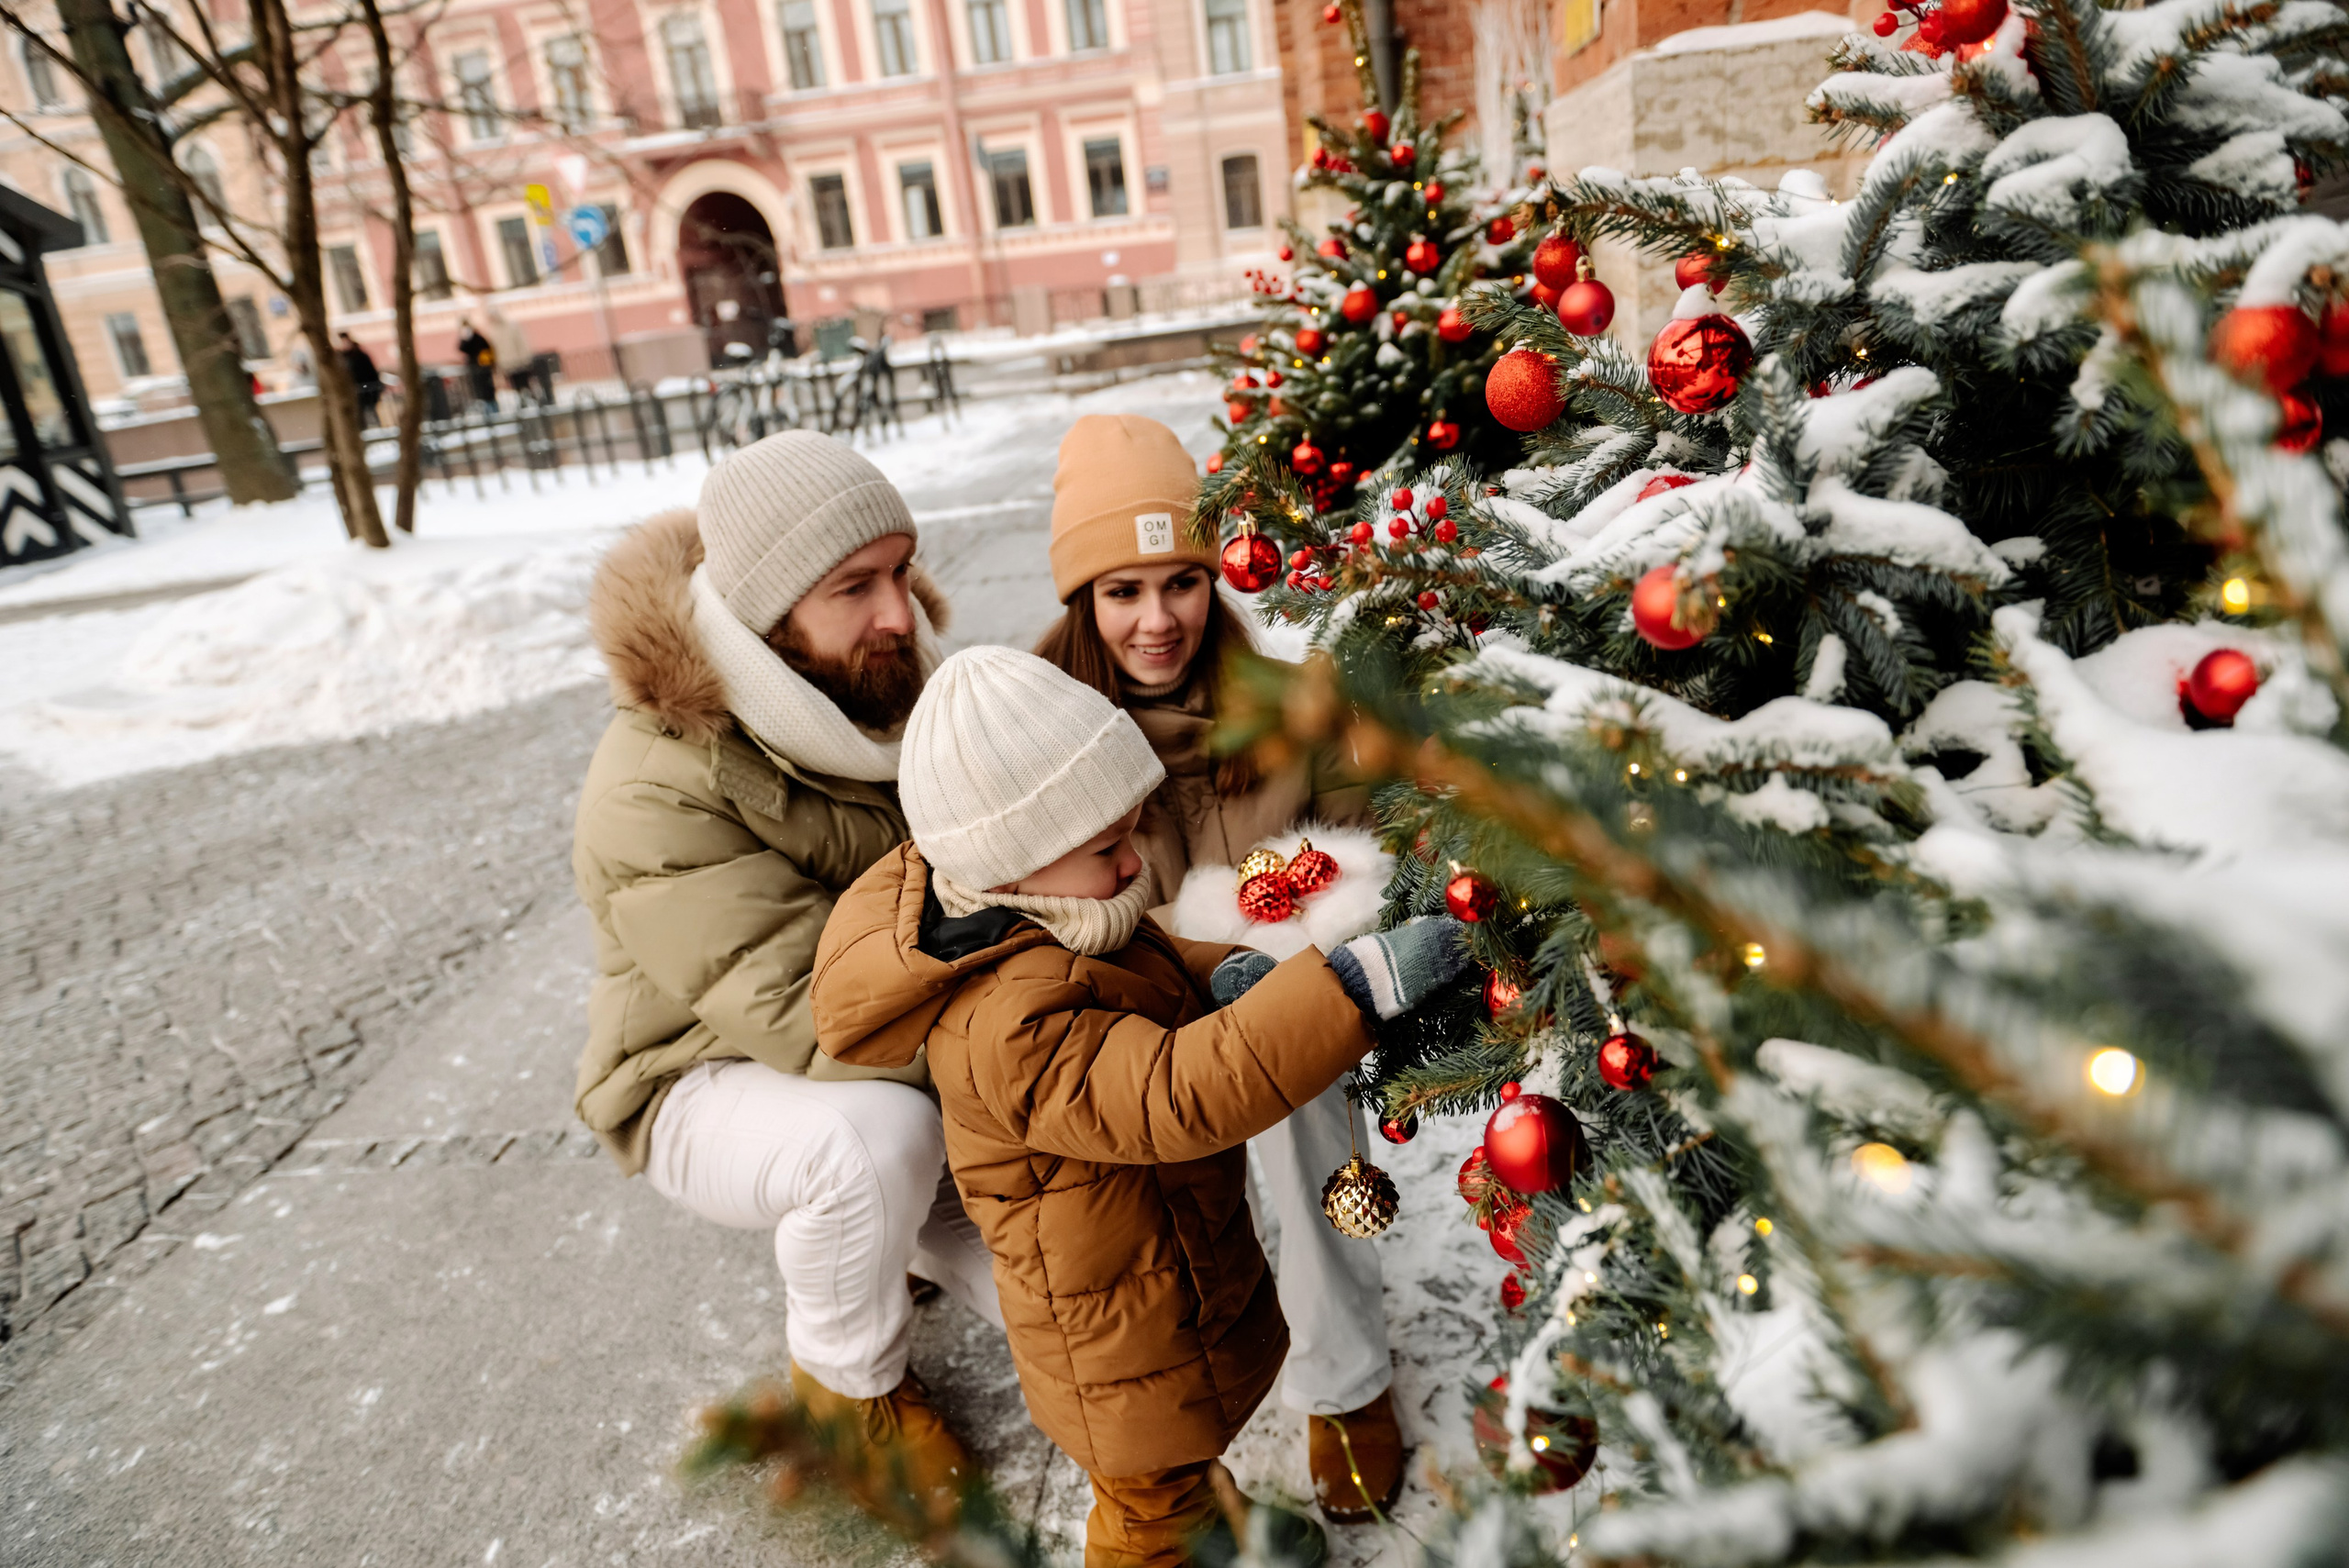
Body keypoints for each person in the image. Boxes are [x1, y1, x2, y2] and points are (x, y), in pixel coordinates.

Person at [810, 646, 1468, 1568]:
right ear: (1014, 863)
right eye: (1107, 848)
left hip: (1155, 1286)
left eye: (1130, 834)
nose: (1133, 863)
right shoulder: (1009, 1019)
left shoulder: (1056, 916)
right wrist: (1347, 987)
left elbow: (1150, 958)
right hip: (1114, 1344)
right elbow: (1175, 1091)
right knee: (1147, 1517)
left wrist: (1227, 972)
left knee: (1181, 1468)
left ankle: (1214, 1524)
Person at [572, 430, 997, 1518]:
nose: (898, 612)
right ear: (767, 614)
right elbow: (816, 1017)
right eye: (854, 586)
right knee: (872, 1147)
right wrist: (1035, 1065)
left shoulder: (890, 686)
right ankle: (846, 1388)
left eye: (900, 570)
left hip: (903, 1023)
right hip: (699, 1074)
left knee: (1080, 1291)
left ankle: (900, 1238)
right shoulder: (652, 786)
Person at [1032, 415, 1405, 1523]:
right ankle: (1159, 1439)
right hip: (1130, 1019)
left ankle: (1347, 1378)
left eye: (1181, 583)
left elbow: (1363, 846)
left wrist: (1313, 903)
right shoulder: (1044, 730)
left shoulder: (1287, 701)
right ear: (1084, 602)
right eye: (1122, 591)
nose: (1157, 620)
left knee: (1300, 1088)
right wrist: (1201, 942)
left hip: (1274, 1008)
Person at [484, 306, 535, 404]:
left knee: (524, 382)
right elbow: (494, 349)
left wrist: (525, 358)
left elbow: (521, 343)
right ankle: (523, 401)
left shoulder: (511, 326)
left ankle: (529, 399)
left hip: (519, 361)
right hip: (507, 364)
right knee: (515, 384)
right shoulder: (493, 331)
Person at [338, 331, 383, 428]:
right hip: (356, 392)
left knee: (369, 413)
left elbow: (370, 373)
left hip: (366, 391)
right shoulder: (343, 358)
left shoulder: (359, 356)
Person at [456, 317, 496, 410]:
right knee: (479, 391)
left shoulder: (477, 337)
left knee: (487, 390)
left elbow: (487, 347)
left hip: (483, 367)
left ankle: (492, 408)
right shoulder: (467, 339)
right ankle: (487, 408)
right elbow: (461, 348)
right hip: (475, 368)